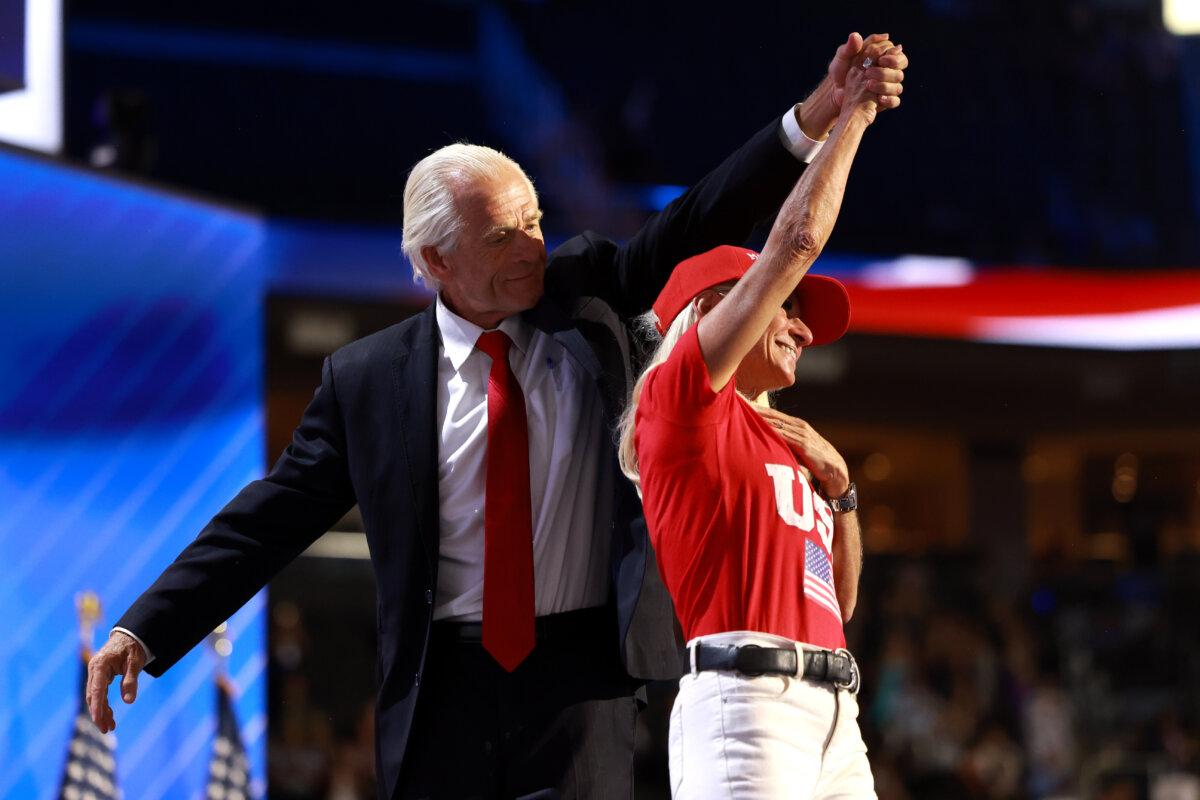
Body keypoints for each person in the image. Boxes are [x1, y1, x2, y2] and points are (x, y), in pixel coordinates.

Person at [86, 34, 908, 799]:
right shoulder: (367, 380)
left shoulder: (588, 293)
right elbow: (269, 519)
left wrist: (812, 121)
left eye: (535, 221)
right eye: (504, 235)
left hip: (584, 678)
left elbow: (700, 217)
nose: (533, 247)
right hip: (445, 686)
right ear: (436, 260)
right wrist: (148, 627)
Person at [617, 37, 897, 799]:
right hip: (748, 704)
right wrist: (854, 119)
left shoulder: (787, 443)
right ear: (713, 312)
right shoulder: (683, 400)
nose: (804, 329)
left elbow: (834, 607)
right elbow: (799, 239)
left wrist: (842, 496)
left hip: (834, 708)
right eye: (787, 308)